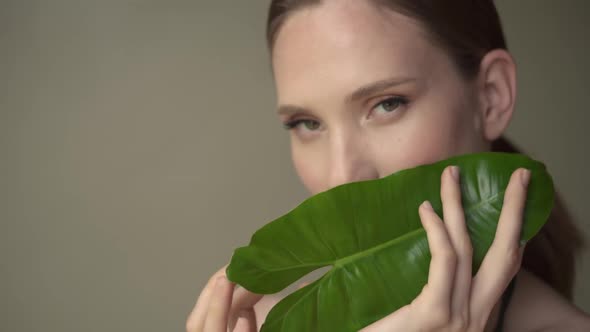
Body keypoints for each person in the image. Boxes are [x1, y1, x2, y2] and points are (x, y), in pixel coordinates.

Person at [186, 1, 590, 331]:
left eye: (387, 104)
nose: (342, 177)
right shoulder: (254, 323)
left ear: (491, 96)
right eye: (307, 124)